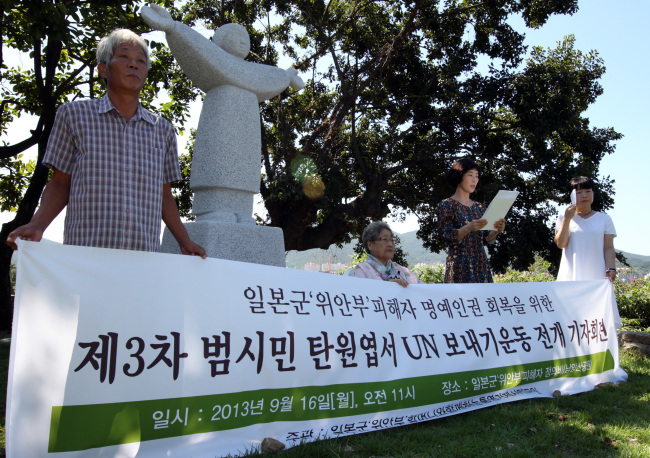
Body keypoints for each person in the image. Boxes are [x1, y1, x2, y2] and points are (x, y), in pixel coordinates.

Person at [6, 29, 206, 258]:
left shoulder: (162, 129)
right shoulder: (73, 115)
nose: (134, 64)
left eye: (141, 61)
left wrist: (184, 241)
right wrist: (37, 224)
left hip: (144, 260)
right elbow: (60, 183)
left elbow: (164, 195)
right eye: (123, 56)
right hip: (86, 256)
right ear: (103, 68)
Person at [436, 158, 505, 283]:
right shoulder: (446, 205)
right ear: (459, 176)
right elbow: (446, 237)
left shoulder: (479, 207)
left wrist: (496, 231)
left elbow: (484, 239)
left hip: (480, 264)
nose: (474, 180)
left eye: (477, 176)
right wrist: (468, 228)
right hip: (459, 265)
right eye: (470, 175)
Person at [554, 176, 617, 281]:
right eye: (579, 193)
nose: (584, 196)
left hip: (597, 276)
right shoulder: (563, 217)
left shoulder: (605, 219)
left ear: (593, 193)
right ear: (572, 195)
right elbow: (561, 244)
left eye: (588, 191)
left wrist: (611, 269)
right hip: (570, 276)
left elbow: (608, 247)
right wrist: (567, 219)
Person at [346, 221, 420, 287]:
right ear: (370, 245)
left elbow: (422, 290)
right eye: (385, 239)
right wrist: (388, 287)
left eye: (392, 240)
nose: (390, 244)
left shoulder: (401, 271)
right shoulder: (361, 270)